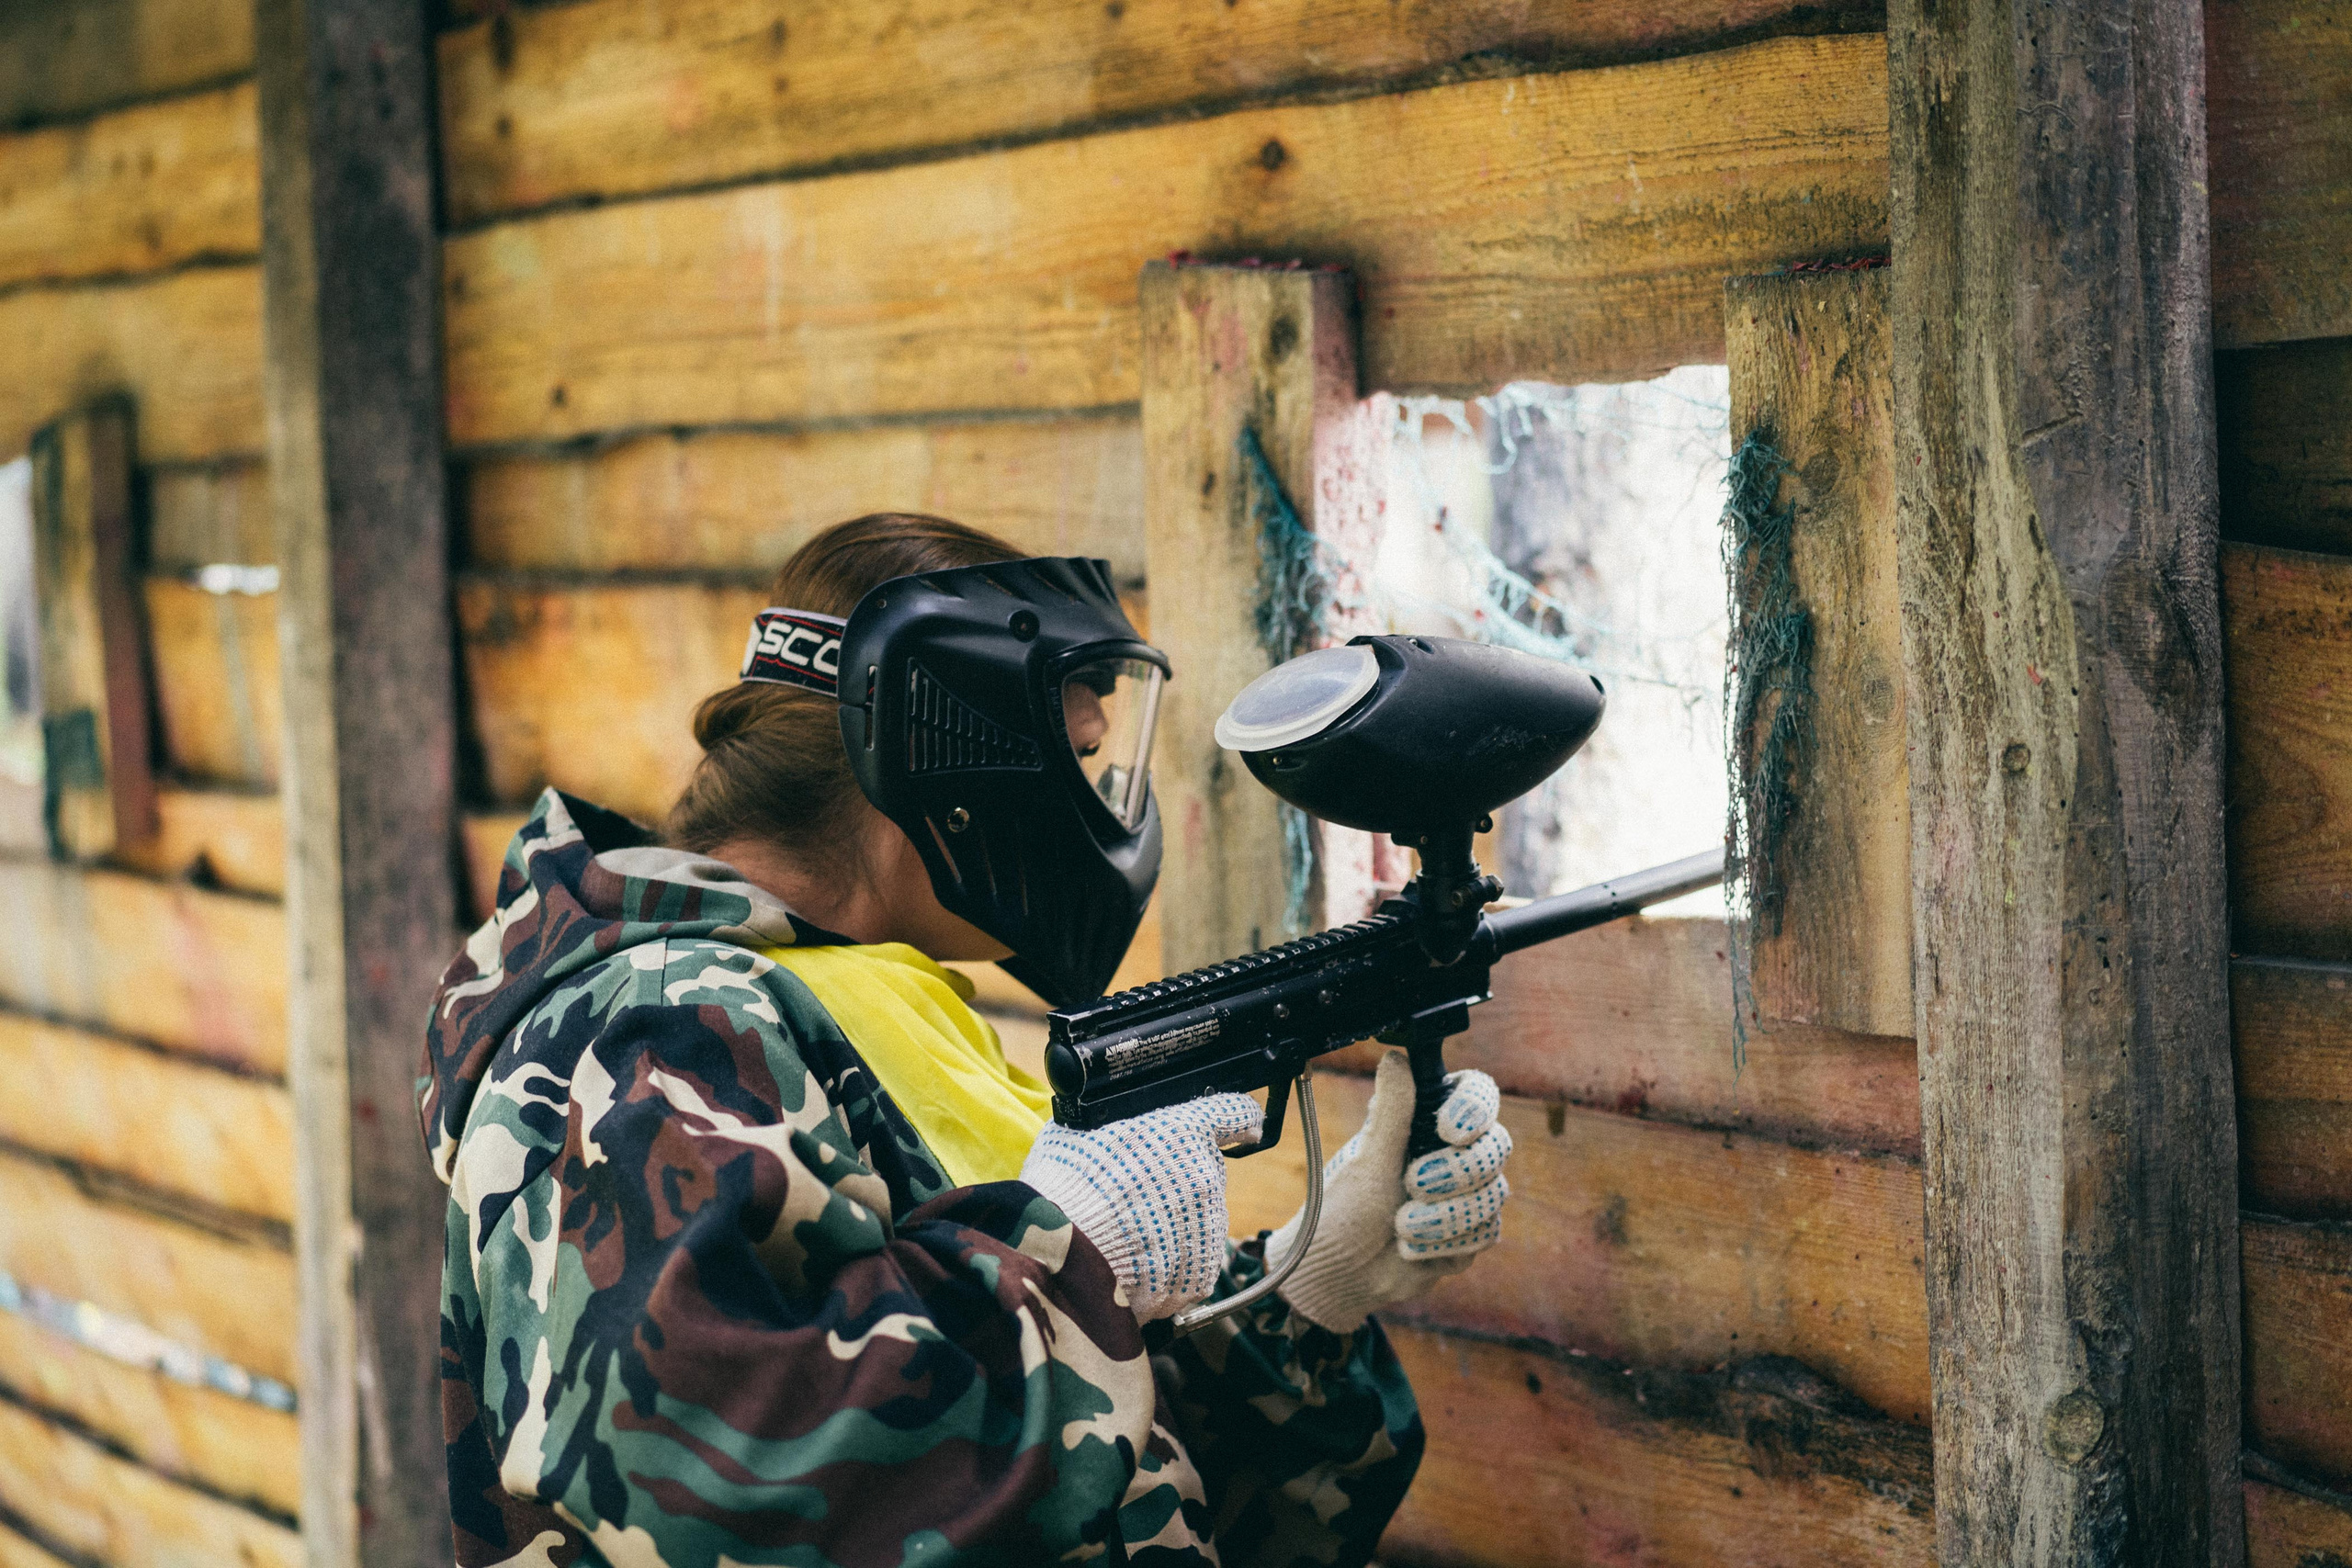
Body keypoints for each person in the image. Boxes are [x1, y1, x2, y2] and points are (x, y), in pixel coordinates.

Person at [421, 513, 1516, 1568]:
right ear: (944, 757)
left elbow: (1068, 1488)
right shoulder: (653, 1029)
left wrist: (1305, 1298)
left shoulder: (843, 1003)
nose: (1103, 813)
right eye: (1078, 761)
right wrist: (1067, 1252)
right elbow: (738, 1500)